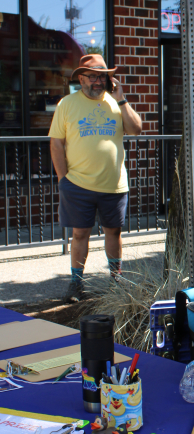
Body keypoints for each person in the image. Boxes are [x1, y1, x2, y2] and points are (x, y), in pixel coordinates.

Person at [49, 54, 142, 302]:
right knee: (80, 234)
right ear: (81, 78)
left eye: (102, 76)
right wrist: (63, 179)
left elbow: (136, 129)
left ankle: (116, 279)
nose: (98, 81)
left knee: (114, 232)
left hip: (114, 185)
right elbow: (56, 144)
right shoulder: (67, 104)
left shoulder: (115, 102)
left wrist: (121, 99)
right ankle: (76, 284)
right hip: (78, 184)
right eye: (92, 76)